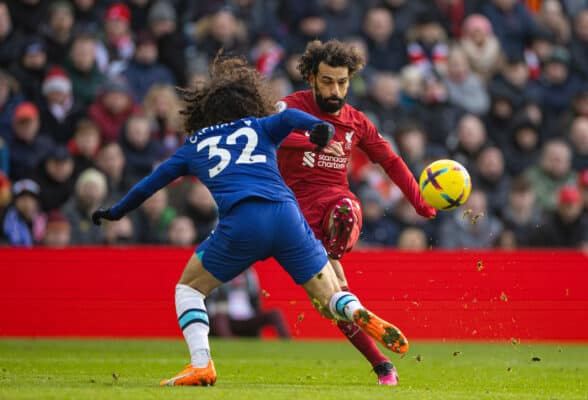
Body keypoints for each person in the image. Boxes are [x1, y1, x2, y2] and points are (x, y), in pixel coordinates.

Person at [91, 55, 408, 387]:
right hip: (287, 216)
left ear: (204, 112)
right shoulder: (259, 125)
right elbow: (287, 119)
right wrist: (315, 127)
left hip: (241, 222)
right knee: (329, 297)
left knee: (188, 289)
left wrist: (116, 211)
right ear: (251, 101)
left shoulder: (194, 145)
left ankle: (201, 364)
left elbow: (149, 184)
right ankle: (353, 308)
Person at [276, 39, 436, 386]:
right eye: (328, 81)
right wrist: (310, 140)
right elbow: (266, 135)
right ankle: (383, 366)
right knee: (331, 304)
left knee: (347, 211)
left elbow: (390, 161)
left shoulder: (356, 122)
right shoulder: (289, 108)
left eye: (342, 82)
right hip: (292, 216)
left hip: (335, 205)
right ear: (312, 78)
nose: (336, 90)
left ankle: (333, 268)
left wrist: (419, 202)